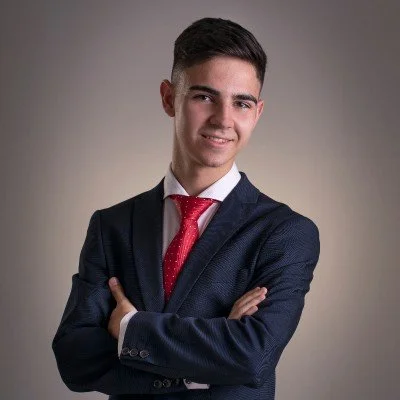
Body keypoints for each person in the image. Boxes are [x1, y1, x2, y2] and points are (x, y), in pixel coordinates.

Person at [52, 17, 320, 400]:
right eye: (204, 97)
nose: (223, 119)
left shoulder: (286, 233)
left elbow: (251, 357)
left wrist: (130, 329)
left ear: (257, 113)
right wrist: (208, 364)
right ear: (168, 98)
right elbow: (74, 359)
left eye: (241, 103)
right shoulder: (112, 226)